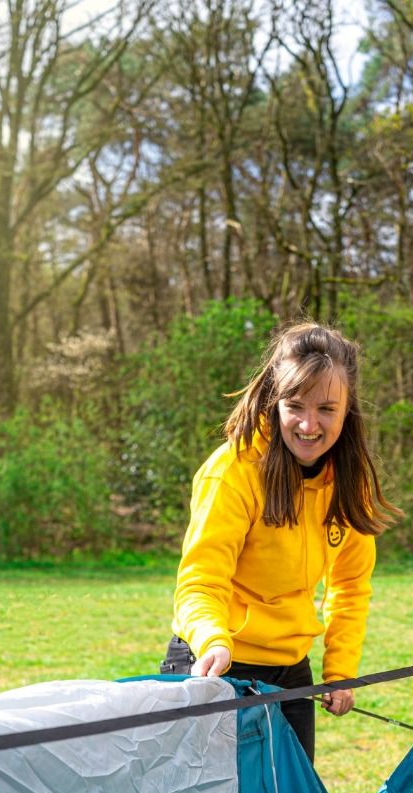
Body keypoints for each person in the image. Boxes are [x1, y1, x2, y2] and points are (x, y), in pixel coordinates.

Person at [168, 321, 399, 763]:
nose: (309, 424)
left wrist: (340, 671)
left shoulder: (348, 484)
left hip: (291, 672)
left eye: (327, 409)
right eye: (295, 405)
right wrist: (213, 640)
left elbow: (350, 586)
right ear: (275, 401)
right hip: (215, 661)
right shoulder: (233, 471)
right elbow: (200, 580)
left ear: (348, 409)